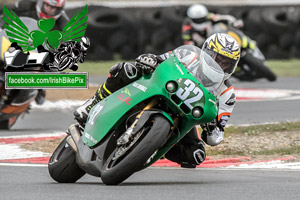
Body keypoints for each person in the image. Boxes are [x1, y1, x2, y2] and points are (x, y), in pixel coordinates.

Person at [73, 33, 240, 168]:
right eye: (217, 59)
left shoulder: (227, 95)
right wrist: (149, 60)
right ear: (206, 53)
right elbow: (160, 60)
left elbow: (216, 137)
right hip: (160, 89)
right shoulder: (189, 55)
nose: (220, 66)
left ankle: (151, 148)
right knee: (125, 70)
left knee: (195, 155)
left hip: (185, 115)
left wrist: (212, 125)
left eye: (227, 64)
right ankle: (92, 104)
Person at [0, 0, 69, 105]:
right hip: (16, 41)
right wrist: (3, 23)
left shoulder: (63, 22)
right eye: (47, 5)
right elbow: (8, 12)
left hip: (38, 50)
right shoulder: (25, 4)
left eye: (53, 8)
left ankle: (39, 88)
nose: (49, 9)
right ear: (41, 3)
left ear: (59, 9)